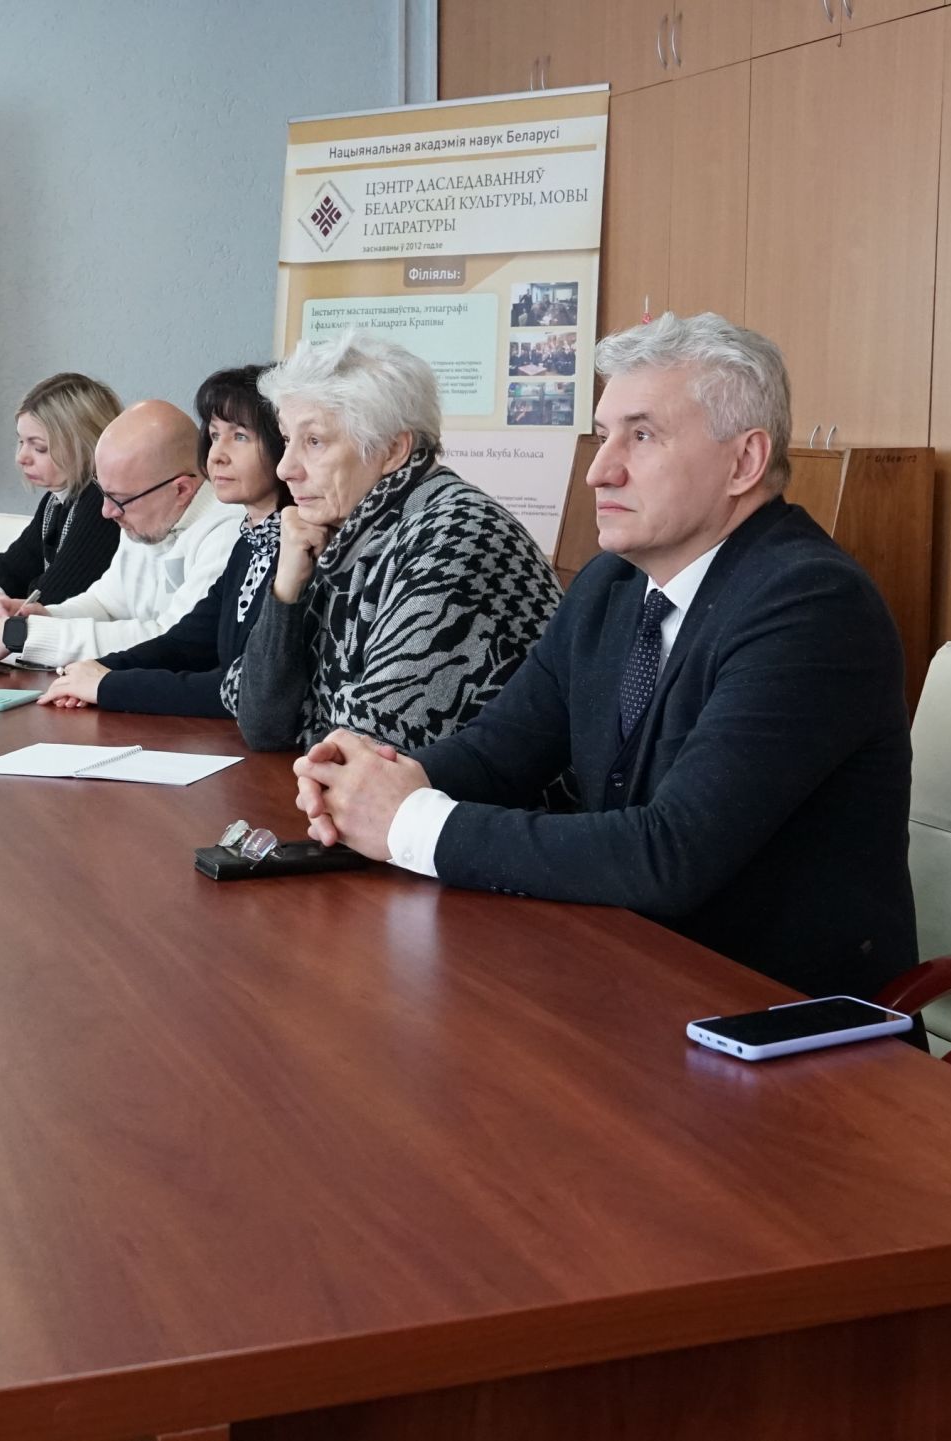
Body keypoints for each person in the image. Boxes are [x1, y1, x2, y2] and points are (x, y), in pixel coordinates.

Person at [286, 312, 916, 998]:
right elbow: (498, 755)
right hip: (628, 973)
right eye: (602, 434)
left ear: (744, 461)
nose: (598, 471)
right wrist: (372, 784)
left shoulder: (811, 605)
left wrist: (409, 822)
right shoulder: (610, 585)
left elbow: (671, 853)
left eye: (641, 436)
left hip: (776, 1017)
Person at [232, 331, 559, 753]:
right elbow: (262, 723)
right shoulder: (341, 530)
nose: (285, 469)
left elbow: (370, 749)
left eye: (314, 441)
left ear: (392, 450)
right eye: (286, 439)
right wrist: (286, 591)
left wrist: (306, 728)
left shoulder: (458, 535)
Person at [40, 365, 289, 717]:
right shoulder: (253, 540)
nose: (216, 455)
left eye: (240, 437)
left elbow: (247, 689)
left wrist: (107, 685)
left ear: (283, 444)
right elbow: (189, 641)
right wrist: (96, 669)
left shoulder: (290, 545)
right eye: (214, 435)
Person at [0, 400, 240, 668]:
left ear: (181, 490)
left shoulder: (228, 533)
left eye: (119, 499)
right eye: (103, 493)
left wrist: (25, 635)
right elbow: (106, 604)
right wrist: (47, 616)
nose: (106, 512)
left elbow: (171, 641)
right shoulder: (144, 515)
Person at [0, 373, 123, 616]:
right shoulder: (55, 501)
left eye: (39, 447)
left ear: (84, 446)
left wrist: (10, 599)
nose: (21, 457)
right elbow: (4, 569)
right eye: (21, 442)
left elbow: (54, 597)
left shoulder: (101, 503)